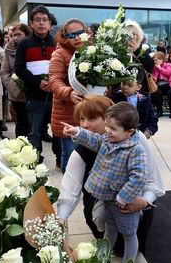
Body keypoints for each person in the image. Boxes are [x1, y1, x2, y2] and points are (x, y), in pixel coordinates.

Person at [57, 95, 164, 256]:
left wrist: (144, 201)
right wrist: (61, 218)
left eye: (91, 118)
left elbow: (149, 179)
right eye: (81, 119)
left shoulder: (136, 141)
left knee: (129, 236)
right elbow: (70, 189)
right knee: (106, 229)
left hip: (130, 200)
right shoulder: (90, 146)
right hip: (103, 199)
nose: (85, 124)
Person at [14, 5, 56, 163]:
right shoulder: (24, 44)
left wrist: (53, 83)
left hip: (55, 95)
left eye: (45, 20)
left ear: (50, 24)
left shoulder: (57, 42)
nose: (41, 23)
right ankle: (35, 162)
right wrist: (38, 82)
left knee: (57, 131)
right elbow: (19, 69)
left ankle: (59, 160)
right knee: (34, 132)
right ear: (31, 23)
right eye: (37, 20)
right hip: (34, 95)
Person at [49, 18, 87, 172]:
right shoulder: (60, 54)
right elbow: (54, 80)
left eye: (80, 33)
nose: (77, 37)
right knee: (71, 156)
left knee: (87, 156)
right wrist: (69, 93)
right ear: (64, 37)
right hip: (67, 112)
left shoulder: (92, 51)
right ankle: (68, 191)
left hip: (88, 111)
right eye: (72, 35)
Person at [0, 23, 32, 137]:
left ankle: (34, 151)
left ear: (27, 34)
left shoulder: (33, 47)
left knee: (33, 124)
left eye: (19, 34)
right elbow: (4, 72)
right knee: (21, 123)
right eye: (14, 35)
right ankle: (21, 149)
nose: (16, 37)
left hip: (33, 92)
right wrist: (16, 89)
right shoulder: (9, 49)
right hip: (16, 94)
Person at [125, 21, 154, 93]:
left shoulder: (142, 48)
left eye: (134, 34)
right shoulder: (118, 49)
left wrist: (137, 50)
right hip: (122, 89)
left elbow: (149, 66)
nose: (131, 36)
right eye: (128, 34)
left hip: (140, 89)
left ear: (138, 36)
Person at [151, 51, 171, 117]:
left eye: (156, 60)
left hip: (169, 85)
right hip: (159, 85)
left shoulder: (168, 65)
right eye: (154, 60)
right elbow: (154, 78)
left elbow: (168, 73)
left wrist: (160, 68)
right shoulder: (154, 68)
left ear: (161, 59)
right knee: (157, 92)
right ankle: (159, 111)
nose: (155, 61)